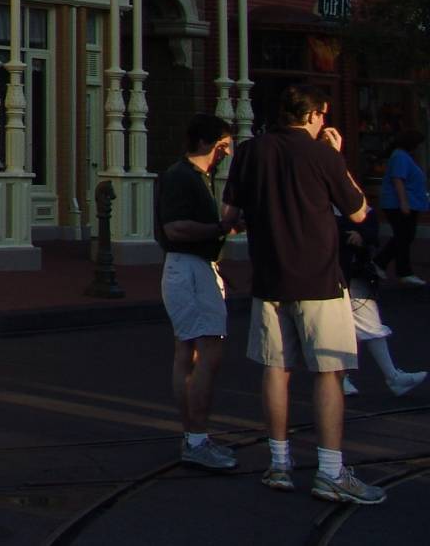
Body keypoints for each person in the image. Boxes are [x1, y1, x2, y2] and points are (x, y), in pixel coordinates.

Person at [222, 84, 384, 506]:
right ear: (314, 115)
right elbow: (358, 211)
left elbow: (229, 214)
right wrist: (339, 157)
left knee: (276, 367)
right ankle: (330, 471)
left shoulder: (250, 151)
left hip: (269, 277)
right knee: (329, 372)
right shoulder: (322, 155)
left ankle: (279, 462)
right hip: (319, 279)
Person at [154, 113, 240, 470]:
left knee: (187, 350)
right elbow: (175, 229)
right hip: (190, 268)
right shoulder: (182, 178)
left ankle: (193, 435)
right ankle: (196, 437)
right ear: (206, 143)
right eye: (222, 145)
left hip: (191, 267)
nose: (226, 153)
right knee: (208, 349)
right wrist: (218, 228)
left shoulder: (195, 178)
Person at [339, 219, 426, 398]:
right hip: (332, 272)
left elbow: (370, 225)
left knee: (369, 323)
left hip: (355, 270)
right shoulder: (326, 200)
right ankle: (339, 377)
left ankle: (392, 377)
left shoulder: (352, 199)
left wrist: (362, 235)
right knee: (338, 328)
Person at [375, 129, 426, 287]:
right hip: (398, 204)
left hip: (407, 202)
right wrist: (404, 202)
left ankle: (389, 266)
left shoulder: (402, 156)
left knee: (404, 236)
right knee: (403, 236)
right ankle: (398, 269)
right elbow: (398, 180)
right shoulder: (400, 157)